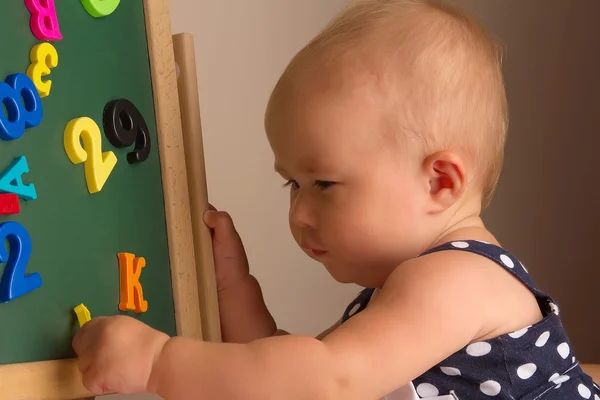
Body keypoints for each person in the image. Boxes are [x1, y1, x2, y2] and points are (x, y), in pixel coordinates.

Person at [72, 1, 600, 398]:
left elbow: (324, 381)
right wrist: (234, 286)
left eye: (323, 184)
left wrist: (159, 362)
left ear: (441, 181)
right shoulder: (403, 293)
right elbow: (288, 371)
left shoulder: (458, 280)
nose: (299, 214)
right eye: (292, 184)